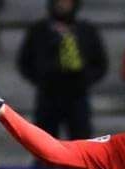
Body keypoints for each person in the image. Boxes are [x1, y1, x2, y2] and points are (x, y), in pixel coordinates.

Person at [17, 0, 107, 139]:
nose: (62, 5)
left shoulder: (86, 31)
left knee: (81, 143)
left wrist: (84, 79)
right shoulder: (39, 30)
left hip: (77, 95)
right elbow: (24, 62)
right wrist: (42, 78)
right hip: (48, 95)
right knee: (44, 142)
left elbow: (100, 64)